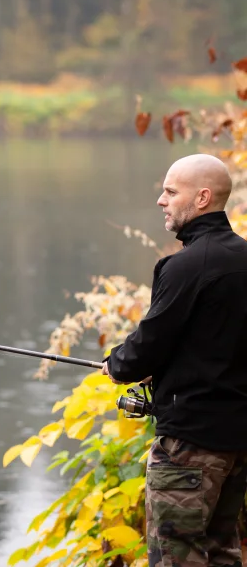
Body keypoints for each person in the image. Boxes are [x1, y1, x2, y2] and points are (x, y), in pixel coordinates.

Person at [102, 153, 247, 567]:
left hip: (189, 445)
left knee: (176, 558)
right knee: (222, 553)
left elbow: (150, 342)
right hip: (237, 443)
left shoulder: (185, 266)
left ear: (202, 198)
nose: (161, 201)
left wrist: (117, 364)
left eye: (170, 191)